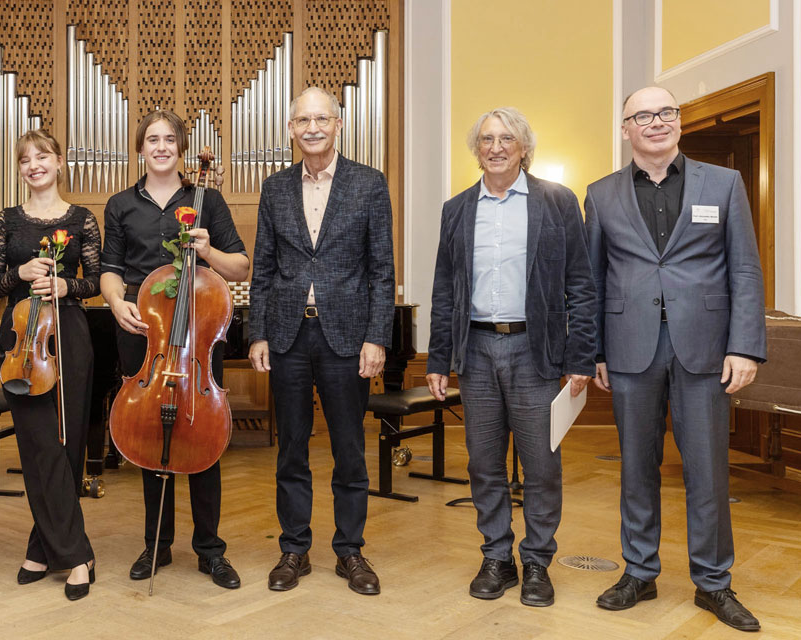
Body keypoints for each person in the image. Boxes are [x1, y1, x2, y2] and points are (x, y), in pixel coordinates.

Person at [585, 86, 765, 632]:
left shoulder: (724, 183)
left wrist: (744, 345)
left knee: (707, 470)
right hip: (629, 348)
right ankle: (639, 572)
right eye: (643, 115)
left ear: (679, 122)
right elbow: (592, 279)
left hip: (706, 349)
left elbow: (745, 268)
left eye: (666, 112)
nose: (656, 122)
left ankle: (714, 582)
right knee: (636, 467)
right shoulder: (600, 194)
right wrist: (594, 351)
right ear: (626, 129)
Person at [427, 107, 598, 607]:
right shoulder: (456, 209)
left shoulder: (557, 201)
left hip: (535, 351)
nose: (496, 147)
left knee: (541, 465)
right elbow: (444, 289)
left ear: (524, 148)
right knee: (484, 463)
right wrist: (438, 359)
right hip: (476, 351)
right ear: (476, 149)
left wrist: (580, 357)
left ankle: (538, 562)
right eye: (487, 139)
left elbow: (581, 285)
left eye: (506, 139)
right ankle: (497, 557)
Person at [249, 86, 393, 596]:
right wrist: (258, 332)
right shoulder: (274, 188)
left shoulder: (369, 184)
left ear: (338, 124)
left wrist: (377, 336)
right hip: (288, 335)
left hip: (347, 337)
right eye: (303, 120)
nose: (312, 128)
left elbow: (382, 270)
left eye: (321, 119)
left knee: (349, 448)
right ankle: (294, 548)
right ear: (291, 129)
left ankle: (350, 550)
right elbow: (263, 268)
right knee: (291, 448)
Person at [99, 109, 249, 590]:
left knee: (203, 435)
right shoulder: (121, 204)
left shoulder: (208, 200)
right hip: (144, 331)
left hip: (199, 333)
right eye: (152, 139)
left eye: (169, 139)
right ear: (140, 148)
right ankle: (156, 544)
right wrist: (116, 301)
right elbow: (110, 268)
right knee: (148, 434)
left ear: (181, 149)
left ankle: (211, 550)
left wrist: (207, 252)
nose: (161, 147)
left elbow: (240, 266)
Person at [0, 129, 98, 600]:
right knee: (38, 446)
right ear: (20, 169)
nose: (34, 165)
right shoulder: (5, 220)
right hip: (20, 338)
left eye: (43, 156)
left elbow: (96, 280)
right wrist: (20, 273)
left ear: (59, 162)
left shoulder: (82, 220)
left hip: (68, 334)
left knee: (66, 446)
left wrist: (67, 286)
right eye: (25, 159)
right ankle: (76, 555)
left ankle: (42, 547)